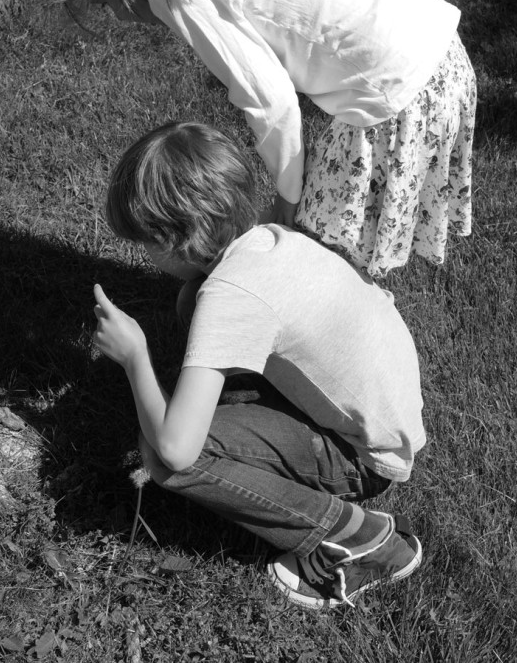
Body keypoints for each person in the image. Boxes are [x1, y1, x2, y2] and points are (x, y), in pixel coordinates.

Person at [46, 0, 477, 277]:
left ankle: (328, 330)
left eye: (103, 3)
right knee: (333, 229)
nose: (115, 18)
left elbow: (270, 102)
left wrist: (288, 195)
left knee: (318, 242)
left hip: (398, 89)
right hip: (436, 47)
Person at [92, 120, 426, 609]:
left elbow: (177, 449)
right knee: (190, 303)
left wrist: (135, 355)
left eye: (146, 242)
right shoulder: (270, 240)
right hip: (390, 415)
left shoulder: (230, 296)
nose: (144, 256)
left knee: (163, 458)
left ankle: (359, 540)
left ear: (178, 237)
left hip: (366, 455)